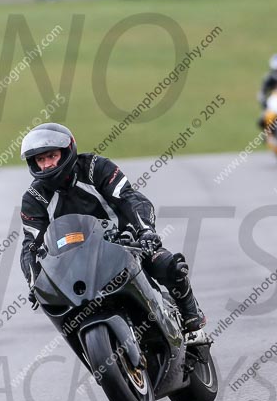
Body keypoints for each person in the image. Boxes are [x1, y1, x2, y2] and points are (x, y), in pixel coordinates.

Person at [18, 123, 206, 339]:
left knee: (164, 262)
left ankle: (192, 319)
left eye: (51, 156)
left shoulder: (94, 167)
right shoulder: (34, 197)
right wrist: (34, 282)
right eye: (40, 160)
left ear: (67, 151)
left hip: (125, 243)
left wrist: (145, 232)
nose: (47, 165)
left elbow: (130, 198)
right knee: (55, 302)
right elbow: (30, 244)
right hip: (75, 264)